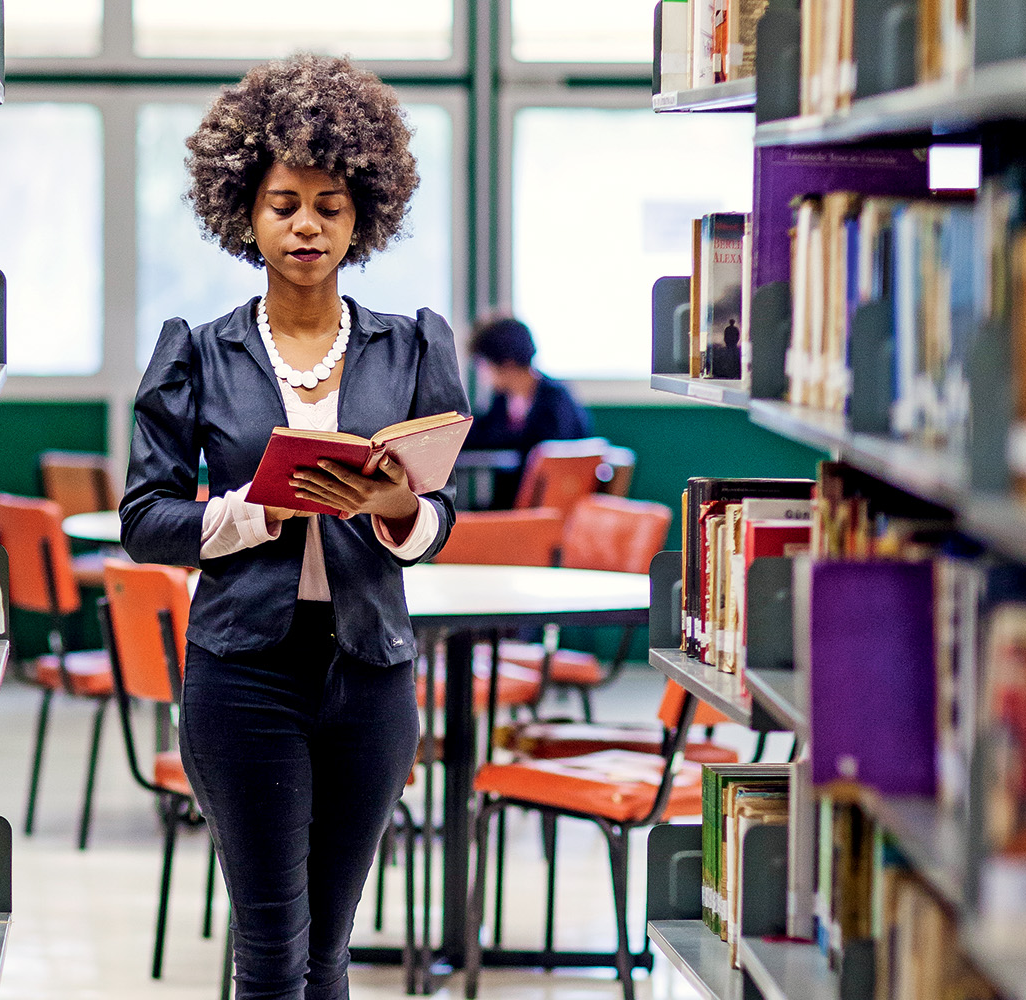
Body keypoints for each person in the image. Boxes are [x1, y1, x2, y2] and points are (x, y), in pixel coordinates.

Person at [119, 53, 468, 1000]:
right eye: (283, 203)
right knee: (269, 955)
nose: (307, 224)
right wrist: (252, 512)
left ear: (363, 216)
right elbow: (145, 522)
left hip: (372, 669)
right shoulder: (195, 352)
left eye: (329, 203)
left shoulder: (415, 346)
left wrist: (398, 508)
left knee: (330, 954)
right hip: (242, 671)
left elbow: (442, 518)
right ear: (245, 212)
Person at [463, 315, 594, 508]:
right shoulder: (502, 401)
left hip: (546, 507)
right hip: (518, 504)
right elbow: (482, 434)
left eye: (483, 363)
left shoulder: (555, 401)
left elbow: (544, 449)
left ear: (506, 364)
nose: (481, 372)